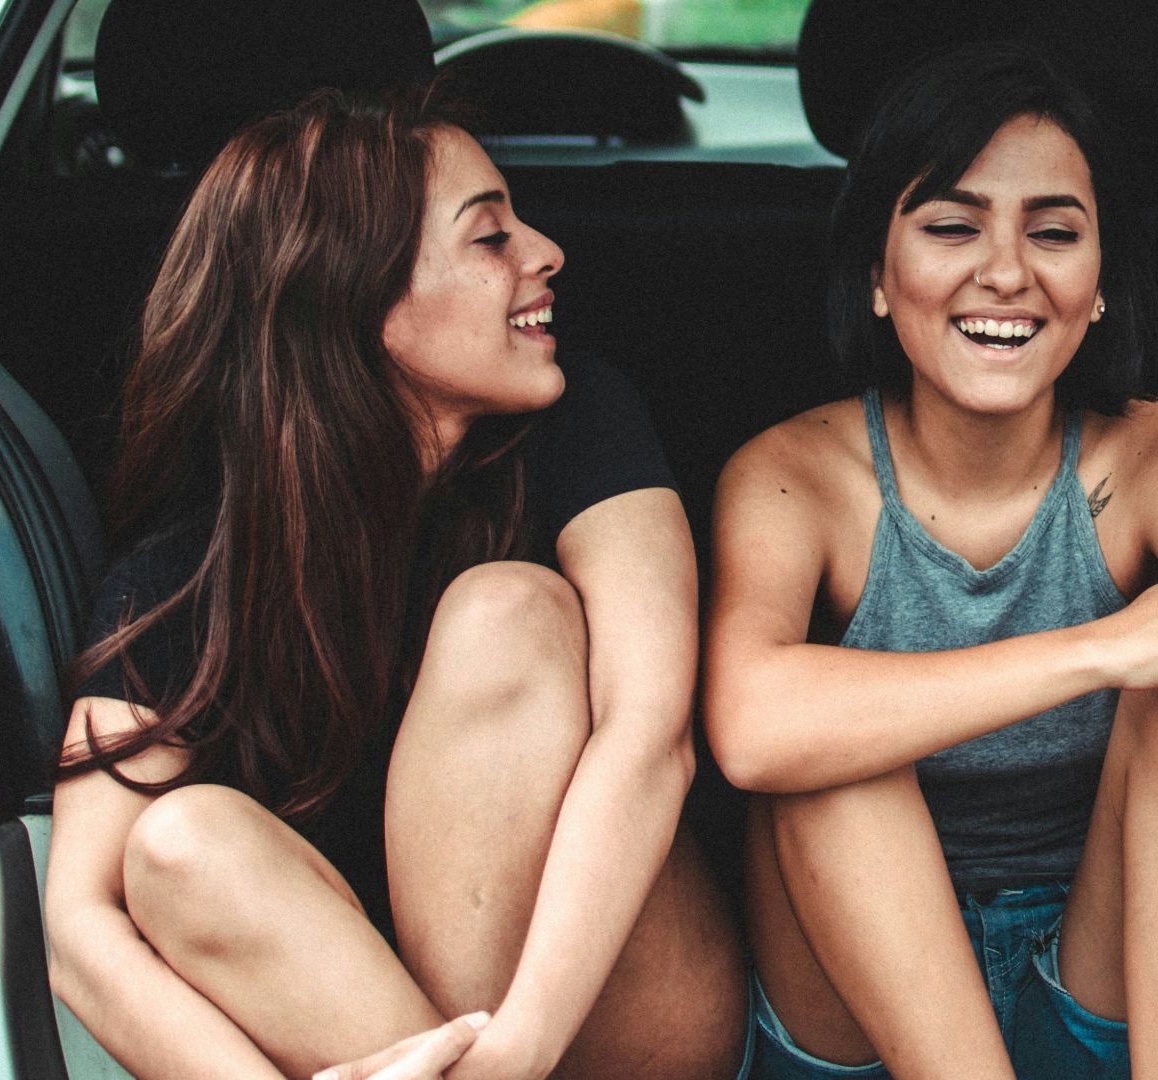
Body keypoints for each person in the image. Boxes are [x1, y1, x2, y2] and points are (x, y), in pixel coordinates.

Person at [703, 43, 1158, 1080]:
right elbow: (752, 729)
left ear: (1102, 283)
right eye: (952, 227)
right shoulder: (793, 474)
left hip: (1098, 966)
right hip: (860, 1000)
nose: (1006, 273)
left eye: (1055, 233)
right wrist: (1106, 647)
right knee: (829, 756)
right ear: (878, 277)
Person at [43, 84, 746, 1080]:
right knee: (178, 845)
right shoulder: (186, 573)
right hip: (378, 1041)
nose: (547, 252)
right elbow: (80, 928)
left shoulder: (581, 424)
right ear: (358, 301)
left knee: (504, 613)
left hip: (615, 1022)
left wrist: (515, 1053)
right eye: (490, 237)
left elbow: (650, 737)